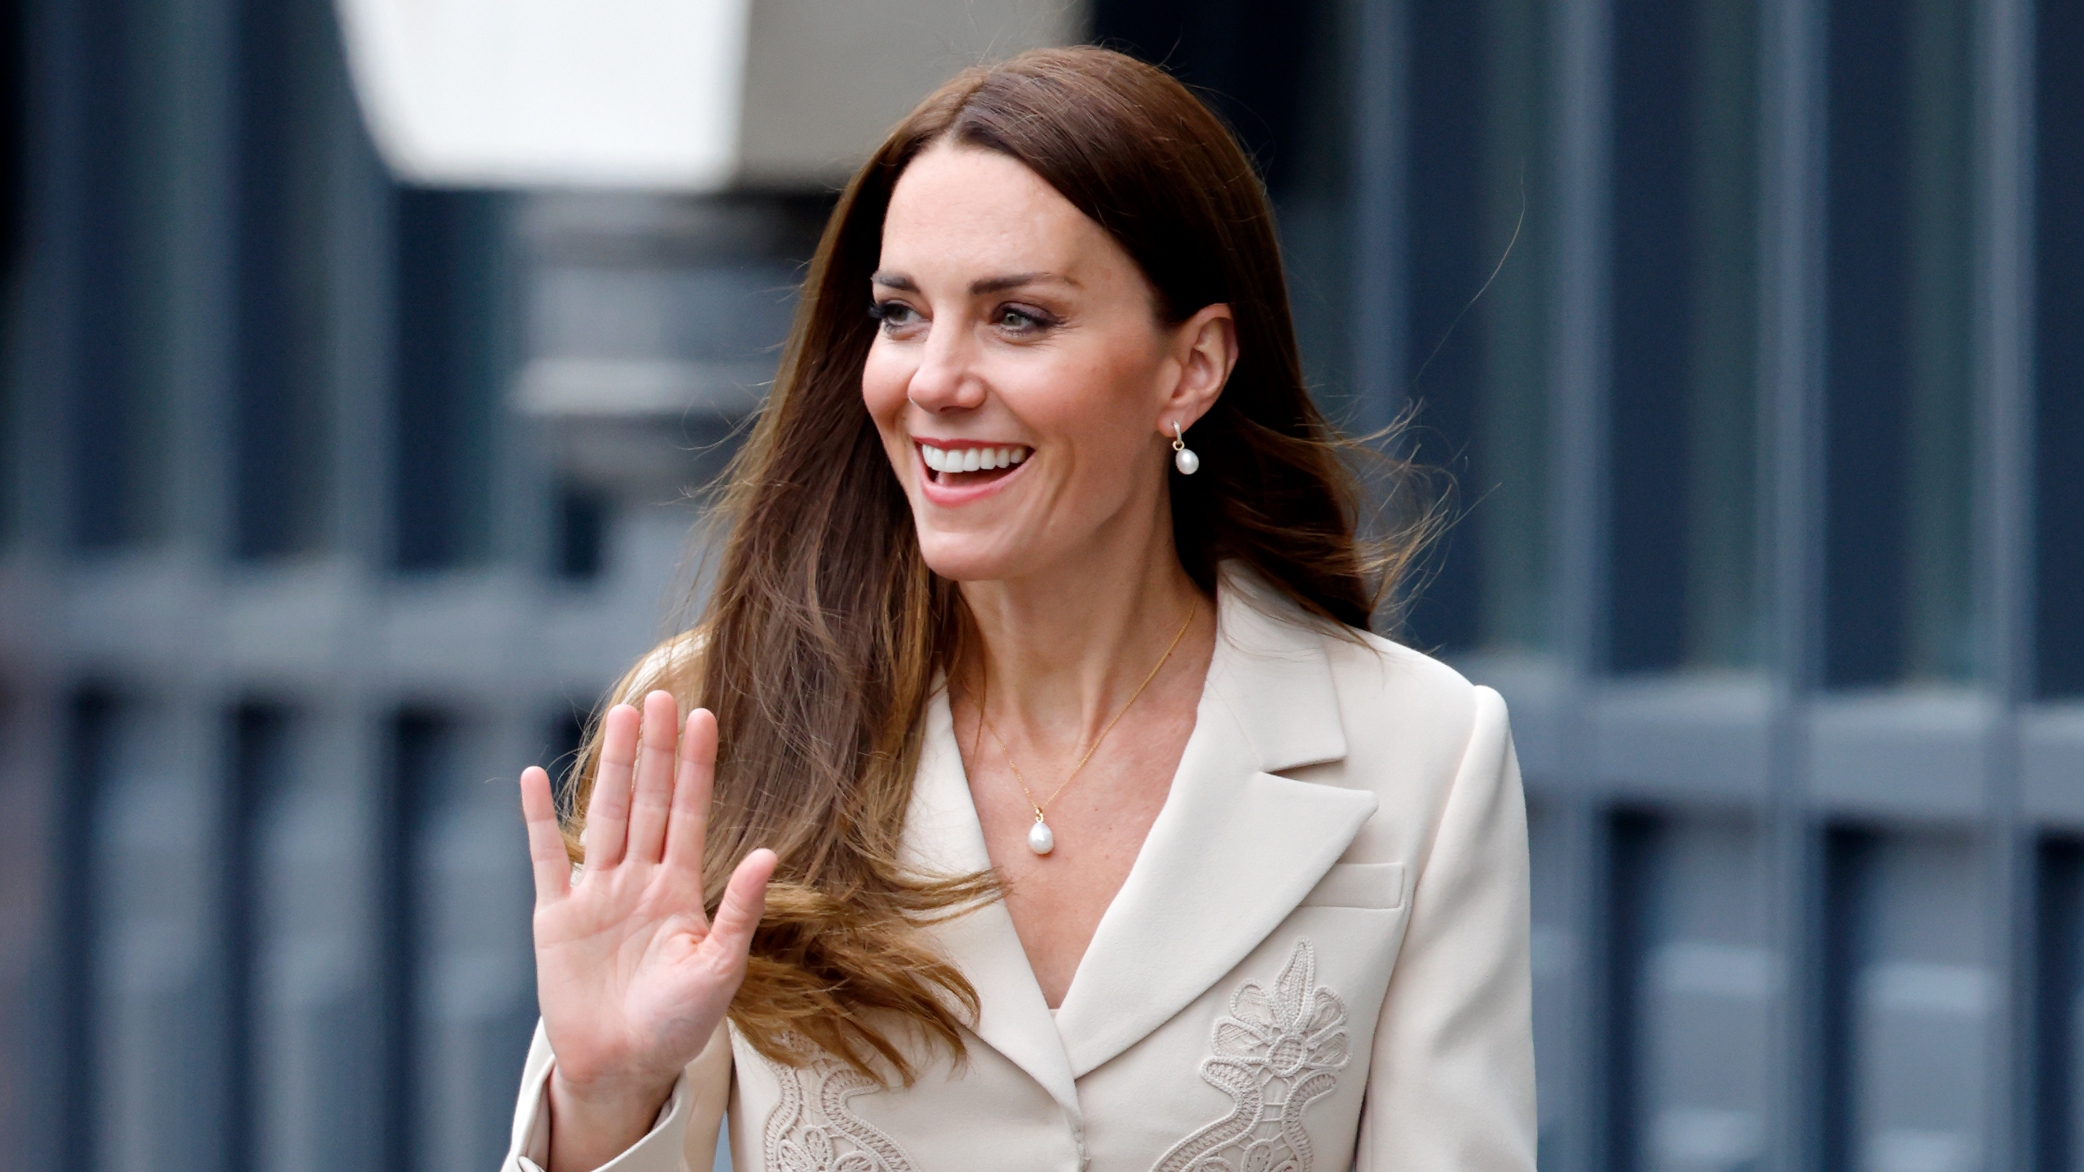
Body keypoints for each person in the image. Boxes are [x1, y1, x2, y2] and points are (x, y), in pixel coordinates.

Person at [504, 46, 1534, 1172]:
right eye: (901, 314)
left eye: (1018, 318)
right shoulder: (718, 712)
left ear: (1190, 367)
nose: (934, 381)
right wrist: (604, 1098)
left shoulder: (1422, 749)